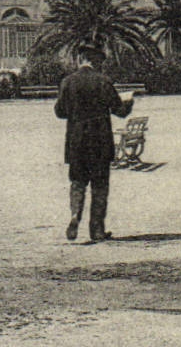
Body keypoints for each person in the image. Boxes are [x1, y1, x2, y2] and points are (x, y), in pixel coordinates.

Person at [55, 47, 133, 242]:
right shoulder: (103, 81)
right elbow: (119, 110)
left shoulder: (68, 82)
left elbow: (60, 112)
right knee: (100, 185)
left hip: (76, 140)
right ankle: (97, 230)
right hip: (99, 141)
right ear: (96, 61)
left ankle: (75, 215)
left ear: (80, 59)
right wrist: (129, 101)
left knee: (77, 182)